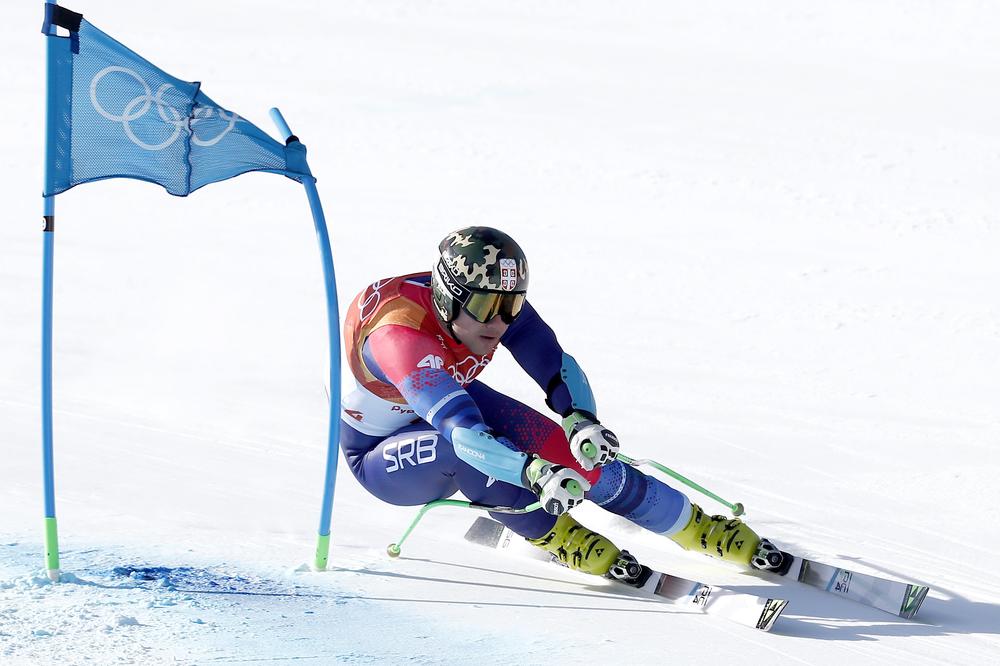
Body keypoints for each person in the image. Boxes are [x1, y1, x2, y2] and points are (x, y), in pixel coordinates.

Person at [340, 226, 784, 581]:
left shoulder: (486, 299)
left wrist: (581, 419)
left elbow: (553, 361)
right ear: (447, 297)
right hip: (381, 451)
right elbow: (462, 430)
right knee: (469, 455)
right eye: (486, 307)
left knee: (571, 452)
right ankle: (556, 536)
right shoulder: (400, 338)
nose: (500, 320)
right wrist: (530, 471)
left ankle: (693, 526)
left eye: (512, 305)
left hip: (448, 400)